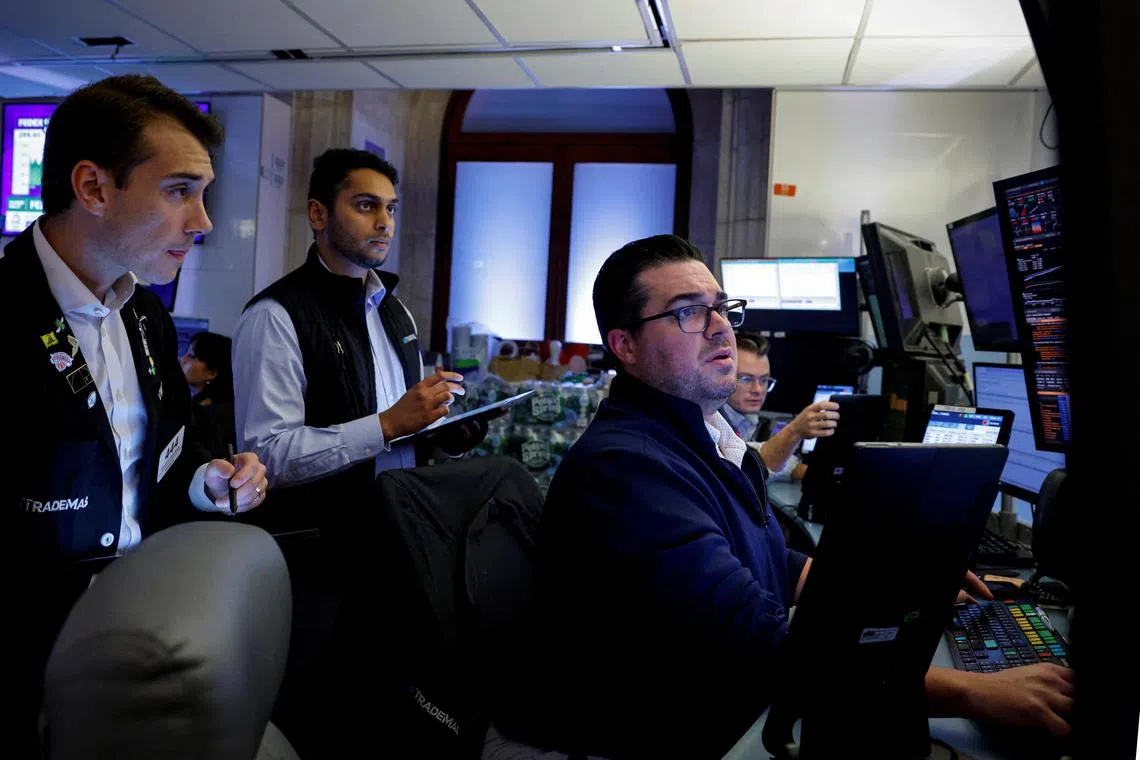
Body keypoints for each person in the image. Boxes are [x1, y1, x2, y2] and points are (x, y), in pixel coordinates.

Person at [492, 235, 1074, 759]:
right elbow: (762, 647)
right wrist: (975, 691)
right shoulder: (626, 470)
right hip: (645, 735)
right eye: (690, 313)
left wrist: (894, 589)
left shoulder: (701, 434)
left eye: (721, 307)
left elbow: (773, 557)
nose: (721, 326)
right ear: (626, 345)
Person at [0, 74, 268, 752]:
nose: (203, 222)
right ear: (93, 188)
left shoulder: (146, 314)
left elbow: (172, 451)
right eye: (180, 191)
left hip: (134, 640)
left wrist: (211, 479)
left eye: (202, 195)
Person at [233, 148, 483, 537]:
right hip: (323, 544)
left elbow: (401, 431)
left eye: (391, 209)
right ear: (318, 214)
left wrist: (444, 437)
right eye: (367, 206)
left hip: (400, 527)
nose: (385, 223)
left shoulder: (395, 311)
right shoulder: (275, 314)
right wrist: (385, 425)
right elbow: (268, 457)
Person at [720, 331, 838, 481]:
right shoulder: (710, 419)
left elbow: (758, 456)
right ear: (720, 375)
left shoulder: (749, 419)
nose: (758, 390)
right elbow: (745, 465)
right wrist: (795, 431)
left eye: (764, 380)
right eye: (746, 379)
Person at [180, 331, 236, 458]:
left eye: (192, 356)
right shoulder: (200, 408)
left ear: (212, 373)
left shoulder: (210, 418)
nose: (183, 360)